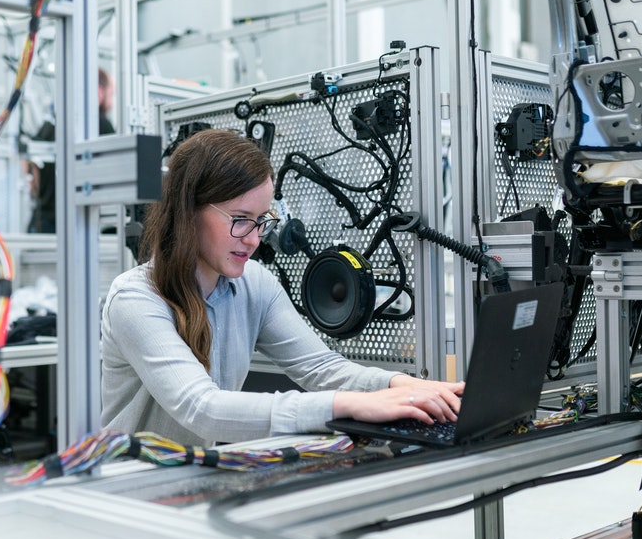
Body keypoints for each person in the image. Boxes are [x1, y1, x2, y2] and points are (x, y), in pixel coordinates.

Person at [100, 128, 465, 446]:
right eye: (241, 220)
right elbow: (202, 409)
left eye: (262, 221)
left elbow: (322, 368)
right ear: (188, 211)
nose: (255, 239)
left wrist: (402, 386)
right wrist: (347, 405)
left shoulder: (254, 284)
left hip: (193, 477)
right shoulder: (136, 298)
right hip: (131, 491)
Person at [26, 68, 116, 233]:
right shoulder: (101, 125)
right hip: (78, 225)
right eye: (112, 94)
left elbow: (31, 175)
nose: (112, 101)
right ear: (98, 92)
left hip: (42, 224)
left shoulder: (49, 126)